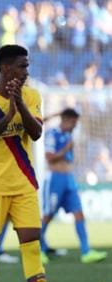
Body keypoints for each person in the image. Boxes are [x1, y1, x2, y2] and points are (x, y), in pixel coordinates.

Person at [0, 44, 75, 282]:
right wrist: (8, 114)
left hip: (25, 184)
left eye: (27, 66)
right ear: (6, 68)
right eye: (22, 66)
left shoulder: (32, 95)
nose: (27, 71)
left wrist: (21, 106)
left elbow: (36, 133)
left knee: (31, 244)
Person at [40, 108, 107, 264]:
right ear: (67, 120)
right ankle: (39, 250)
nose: (75, 126)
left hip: (69, 179)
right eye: (74, 123)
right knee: (47, 216)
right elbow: (49, 157)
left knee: (79, 213)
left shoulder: (68, 135)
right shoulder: (52, 134)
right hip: (55, 180)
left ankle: (86, 252)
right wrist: (65, 149)